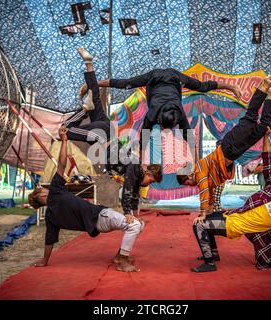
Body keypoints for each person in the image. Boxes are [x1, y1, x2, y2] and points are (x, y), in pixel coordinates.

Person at [29, 126, 144, 272]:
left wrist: (45, 261)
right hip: (101, 216)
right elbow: (61, 164)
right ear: (41, 195)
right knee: (135, 226)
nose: (45, 188)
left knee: (139, 224)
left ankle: (120, 254)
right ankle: (122, 259)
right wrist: (64, 141)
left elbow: (49, 240)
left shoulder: (50, 217)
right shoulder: (55, 192)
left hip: (99, 224)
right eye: (42, 189)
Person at [191, 129, 271, 272]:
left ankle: (209, 264)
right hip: (232, 215)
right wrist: (265, 135)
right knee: (203, 219)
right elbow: (268, 161)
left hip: (234, 226)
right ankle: (213, 255)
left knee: (199, 225)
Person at [176, 71, 271, 216]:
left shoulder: (198, 171)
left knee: (251, 117)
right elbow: (208, 192)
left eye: (187, 184)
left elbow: (203, 190)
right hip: (235, 151)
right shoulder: (205, 176)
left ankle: (264, 85)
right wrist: (209, 207)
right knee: (265, 127)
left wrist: (203, 212)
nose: (191, 186)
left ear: (189, 176)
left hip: (229, 147)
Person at [82, 68, 242, 154]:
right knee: (127, 83)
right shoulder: (158, 113)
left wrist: (195, 164)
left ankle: (94, 83)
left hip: (170, 76)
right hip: (164, 76)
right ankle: (95, 83)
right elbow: (189, 139)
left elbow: (189, 139)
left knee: (127, 83)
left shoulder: (174, 113)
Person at [61, 48, 110, 146]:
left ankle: (89, 63)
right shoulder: (119, 156)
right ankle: (85, 108)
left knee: (64, 130)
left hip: (106, 127)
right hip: (102, 130)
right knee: (64, 130)